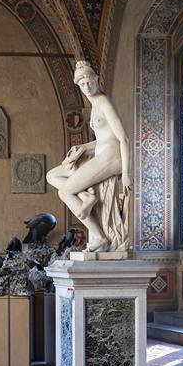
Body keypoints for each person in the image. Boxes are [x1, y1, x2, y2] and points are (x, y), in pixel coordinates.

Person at [46, 61, 131, 252]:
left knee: (65, 192)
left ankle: (100, 237)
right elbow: (102, 138)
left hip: (112, 157)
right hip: (101, 153)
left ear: (96, 79)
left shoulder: (103, 102)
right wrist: (83, 147)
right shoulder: (94, 106)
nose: (86, 87)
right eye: (82, 84)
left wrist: (126, 173)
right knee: (52, 175)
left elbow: (123, 138)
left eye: (89, 82)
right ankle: (86, 196)